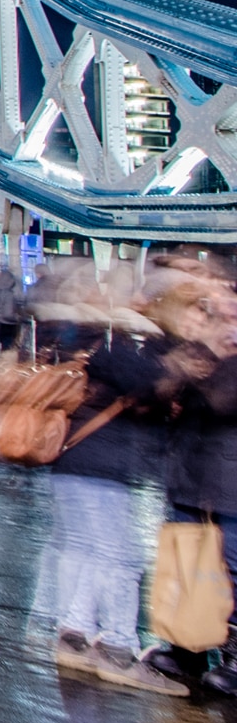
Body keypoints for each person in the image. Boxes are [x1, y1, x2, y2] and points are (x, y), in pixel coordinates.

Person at [46, 281, 197, 695]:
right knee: (122, 559)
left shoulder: (99, 341)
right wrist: (185, 361)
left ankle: (73, 634)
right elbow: (152, 383)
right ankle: (118, 648)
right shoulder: (120, 344)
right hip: (99, 465)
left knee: (92, 553)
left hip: (82, 464)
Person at [148, 278, 237, 697]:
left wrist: (207, 362)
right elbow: (163, 393)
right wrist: (180, 366)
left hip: (230, 483)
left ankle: (234, 658)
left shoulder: (222, 357)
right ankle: (188, 648)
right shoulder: (200, 348)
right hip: (189, 474)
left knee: (232, 570)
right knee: (188, 562)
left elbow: (225, 400)